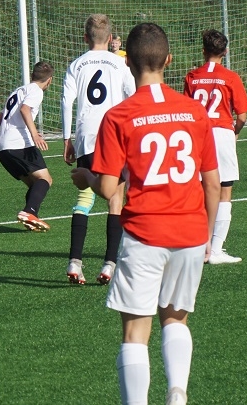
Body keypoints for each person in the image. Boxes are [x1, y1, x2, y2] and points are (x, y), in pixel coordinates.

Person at [72, 22, 220, 405]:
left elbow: (108, 189)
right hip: (191, 232)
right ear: (168, 60)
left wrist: (87, 177)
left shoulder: (119, 116)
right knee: (176, 317)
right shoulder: (194, 111)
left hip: (144, 233)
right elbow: (212, 182)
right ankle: (178, 392)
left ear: (128, 62)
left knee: (135, 333)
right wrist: (207, 236)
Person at [61, 14, 136, 285]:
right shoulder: (120, 64)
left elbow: (66, 101)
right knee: (115, 199)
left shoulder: (76, 64)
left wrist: (67, 139)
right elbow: (133, 97)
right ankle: (109, 265)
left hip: (86, 137)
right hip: (113, 137)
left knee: (84, 196)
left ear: (85, 38)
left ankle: (74, 261)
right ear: (111, 38)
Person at [183, 29, 247, 265]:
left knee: (199, 190)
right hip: (222, 133)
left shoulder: (192, 76)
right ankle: (215, 250)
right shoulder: (230, 77)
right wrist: (234, 133)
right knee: (224, 190)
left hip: (198, 135)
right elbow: (242, 115)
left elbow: (187, 111)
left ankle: (196, 245)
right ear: (226, 52)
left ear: (203, 51)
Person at [0, 60, 55, 231]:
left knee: (35, 184)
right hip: (19, 144)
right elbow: (25, 109)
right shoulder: (36, 91)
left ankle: (30, 216)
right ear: (49, 80)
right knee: (45, 180)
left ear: (32, 75)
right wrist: (34, 134)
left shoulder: (18, 91)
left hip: (2, 147)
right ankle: (29, 212)